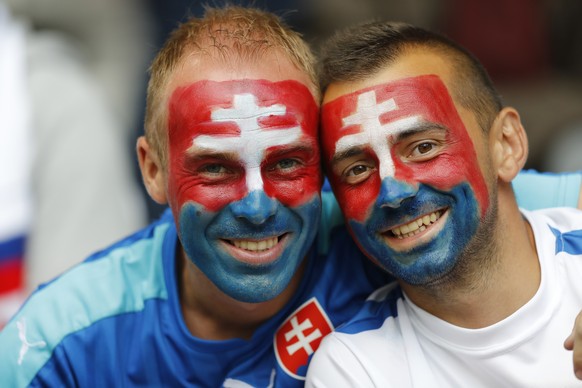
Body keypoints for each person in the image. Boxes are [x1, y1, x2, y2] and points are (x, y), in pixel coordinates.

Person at [0, 6, 579, 387]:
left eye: (286, 162)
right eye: (215, 166)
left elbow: (494, 194)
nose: (256, 205)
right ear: (152, 170)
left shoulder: (379, 214)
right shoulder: (60, 347)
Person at [306, 20, 582, 386]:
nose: (392, 192)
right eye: (357, 169)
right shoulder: (355, 367)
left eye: (423, 147)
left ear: (506, 144)